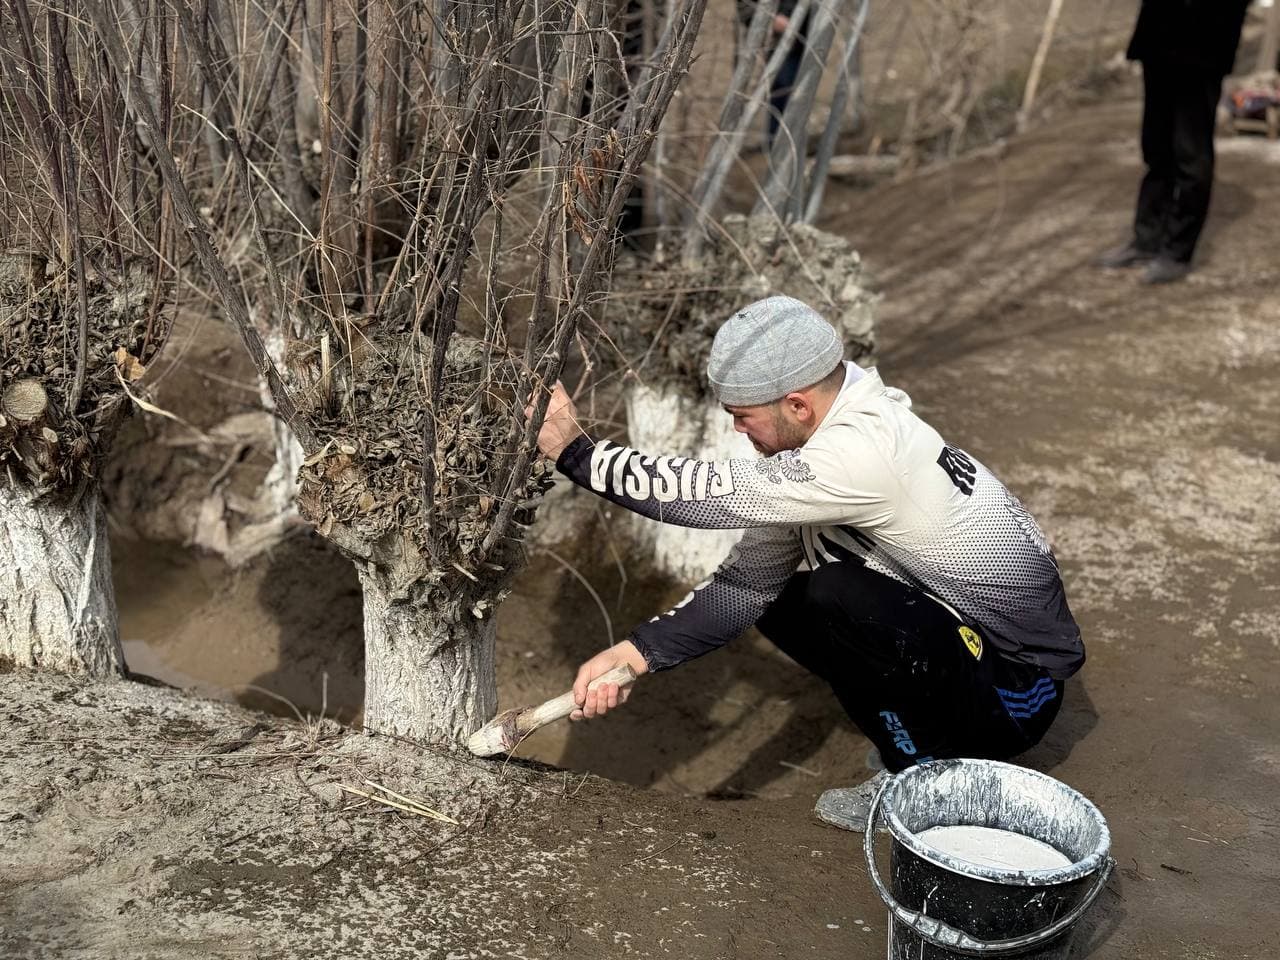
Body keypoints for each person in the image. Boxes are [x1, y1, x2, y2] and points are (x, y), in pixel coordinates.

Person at [531, 296, 1084, 831]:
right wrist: (636, 655)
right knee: (781, 602)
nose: (737, 431)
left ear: (798, 405)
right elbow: (746, 585)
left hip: (1020, 692)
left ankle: (923, 780)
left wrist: (575, 452)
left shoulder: (861, 454)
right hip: (969, 650)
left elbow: (697, 493)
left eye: (742, 417)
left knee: (839, 593)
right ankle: (927, 746)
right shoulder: (819, 446)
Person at [1096, 0, 1252, 284]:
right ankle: (1147, 239)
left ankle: (1178, 251)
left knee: (1190, 152)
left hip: (1203, 44)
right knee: (1156, 148)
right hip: (1160, 37)